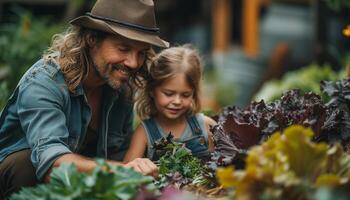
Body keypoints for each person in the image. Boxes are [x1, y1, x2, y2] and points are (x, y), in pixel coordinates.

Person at [0, 0, 169, 198]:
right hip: (19, 178)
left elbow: (118, 156)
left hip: (76, 186)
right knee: (27, 163)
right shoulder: (44, 83)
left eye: (141, 53)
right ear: (91, 39)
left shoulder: (122, 87)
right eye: (123, 49)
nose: (133, 63)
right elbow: (52, 166)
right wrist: (123, 171)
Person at [123, 45, 216, 163]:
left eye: (185, 95)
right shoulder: (144, 133)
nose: (177, 101)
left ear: (194, 93)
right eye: (168, 94)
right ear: (152, 90)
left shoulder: (206, 127)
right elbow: (127, 171)